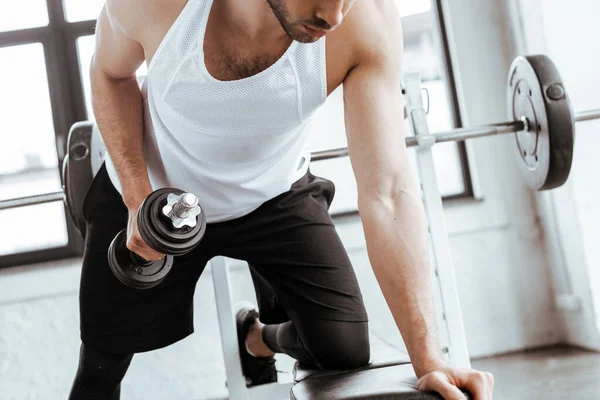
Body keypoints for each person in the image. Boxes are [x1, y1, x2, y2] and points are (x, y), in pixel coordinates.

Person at [68, 0, 495, 399]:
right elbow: (109, 73)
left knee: (342, 350)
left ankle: (254, 337)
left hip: (274, 195)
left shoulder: (369, 20)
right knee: (101, 365)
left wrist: (429, 359)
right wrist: (137, 197)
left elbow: (390, 192)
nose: (333, 15)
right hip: (156, 196)